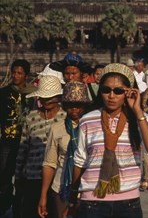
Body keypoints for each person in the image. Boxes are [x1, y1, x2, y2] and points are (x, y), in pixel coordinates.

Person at [67, 63, 148, 218]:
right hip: (92, 201)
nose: (111, 96)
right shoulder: (87, 120)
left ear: (128, 93)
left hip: (128, 202)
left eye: (118, 91)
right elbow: (80, 162)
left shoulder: (138, 119)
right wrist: (72, 197)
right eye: (106, 90)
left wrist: (137, 110)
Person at [14, 76, 67, 218]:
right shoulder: (31, 117)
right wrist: (18, 176)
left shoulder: (65, 117)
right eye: (44, 97)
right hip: (32, 176)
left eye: (50, 97)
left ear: (57, 97)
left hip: (56, 180)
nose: (47, 100)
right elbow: (23, 148)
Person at [38, 81, 92, 218]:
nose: (74, 109)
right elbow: (49, 163)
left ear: (85, 106)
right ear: (64, 106)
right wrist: (43, 196)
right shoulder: (57, 129)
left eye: (78, 104)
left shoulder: (93, 126)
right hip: (61, 189)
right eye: (70, 105)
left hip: (87, 189)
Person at [0, 59, 35, 215]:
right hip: (7, 141)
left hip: (27, 142)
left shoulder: (33, 94)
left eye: (19, 73)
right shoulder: (3, 93)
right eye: (14, 72)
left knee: (23, 176)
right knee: (4, 174)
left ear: (26, 75)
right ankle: (4, 205)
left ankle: (20, 206)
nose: (15, 76)